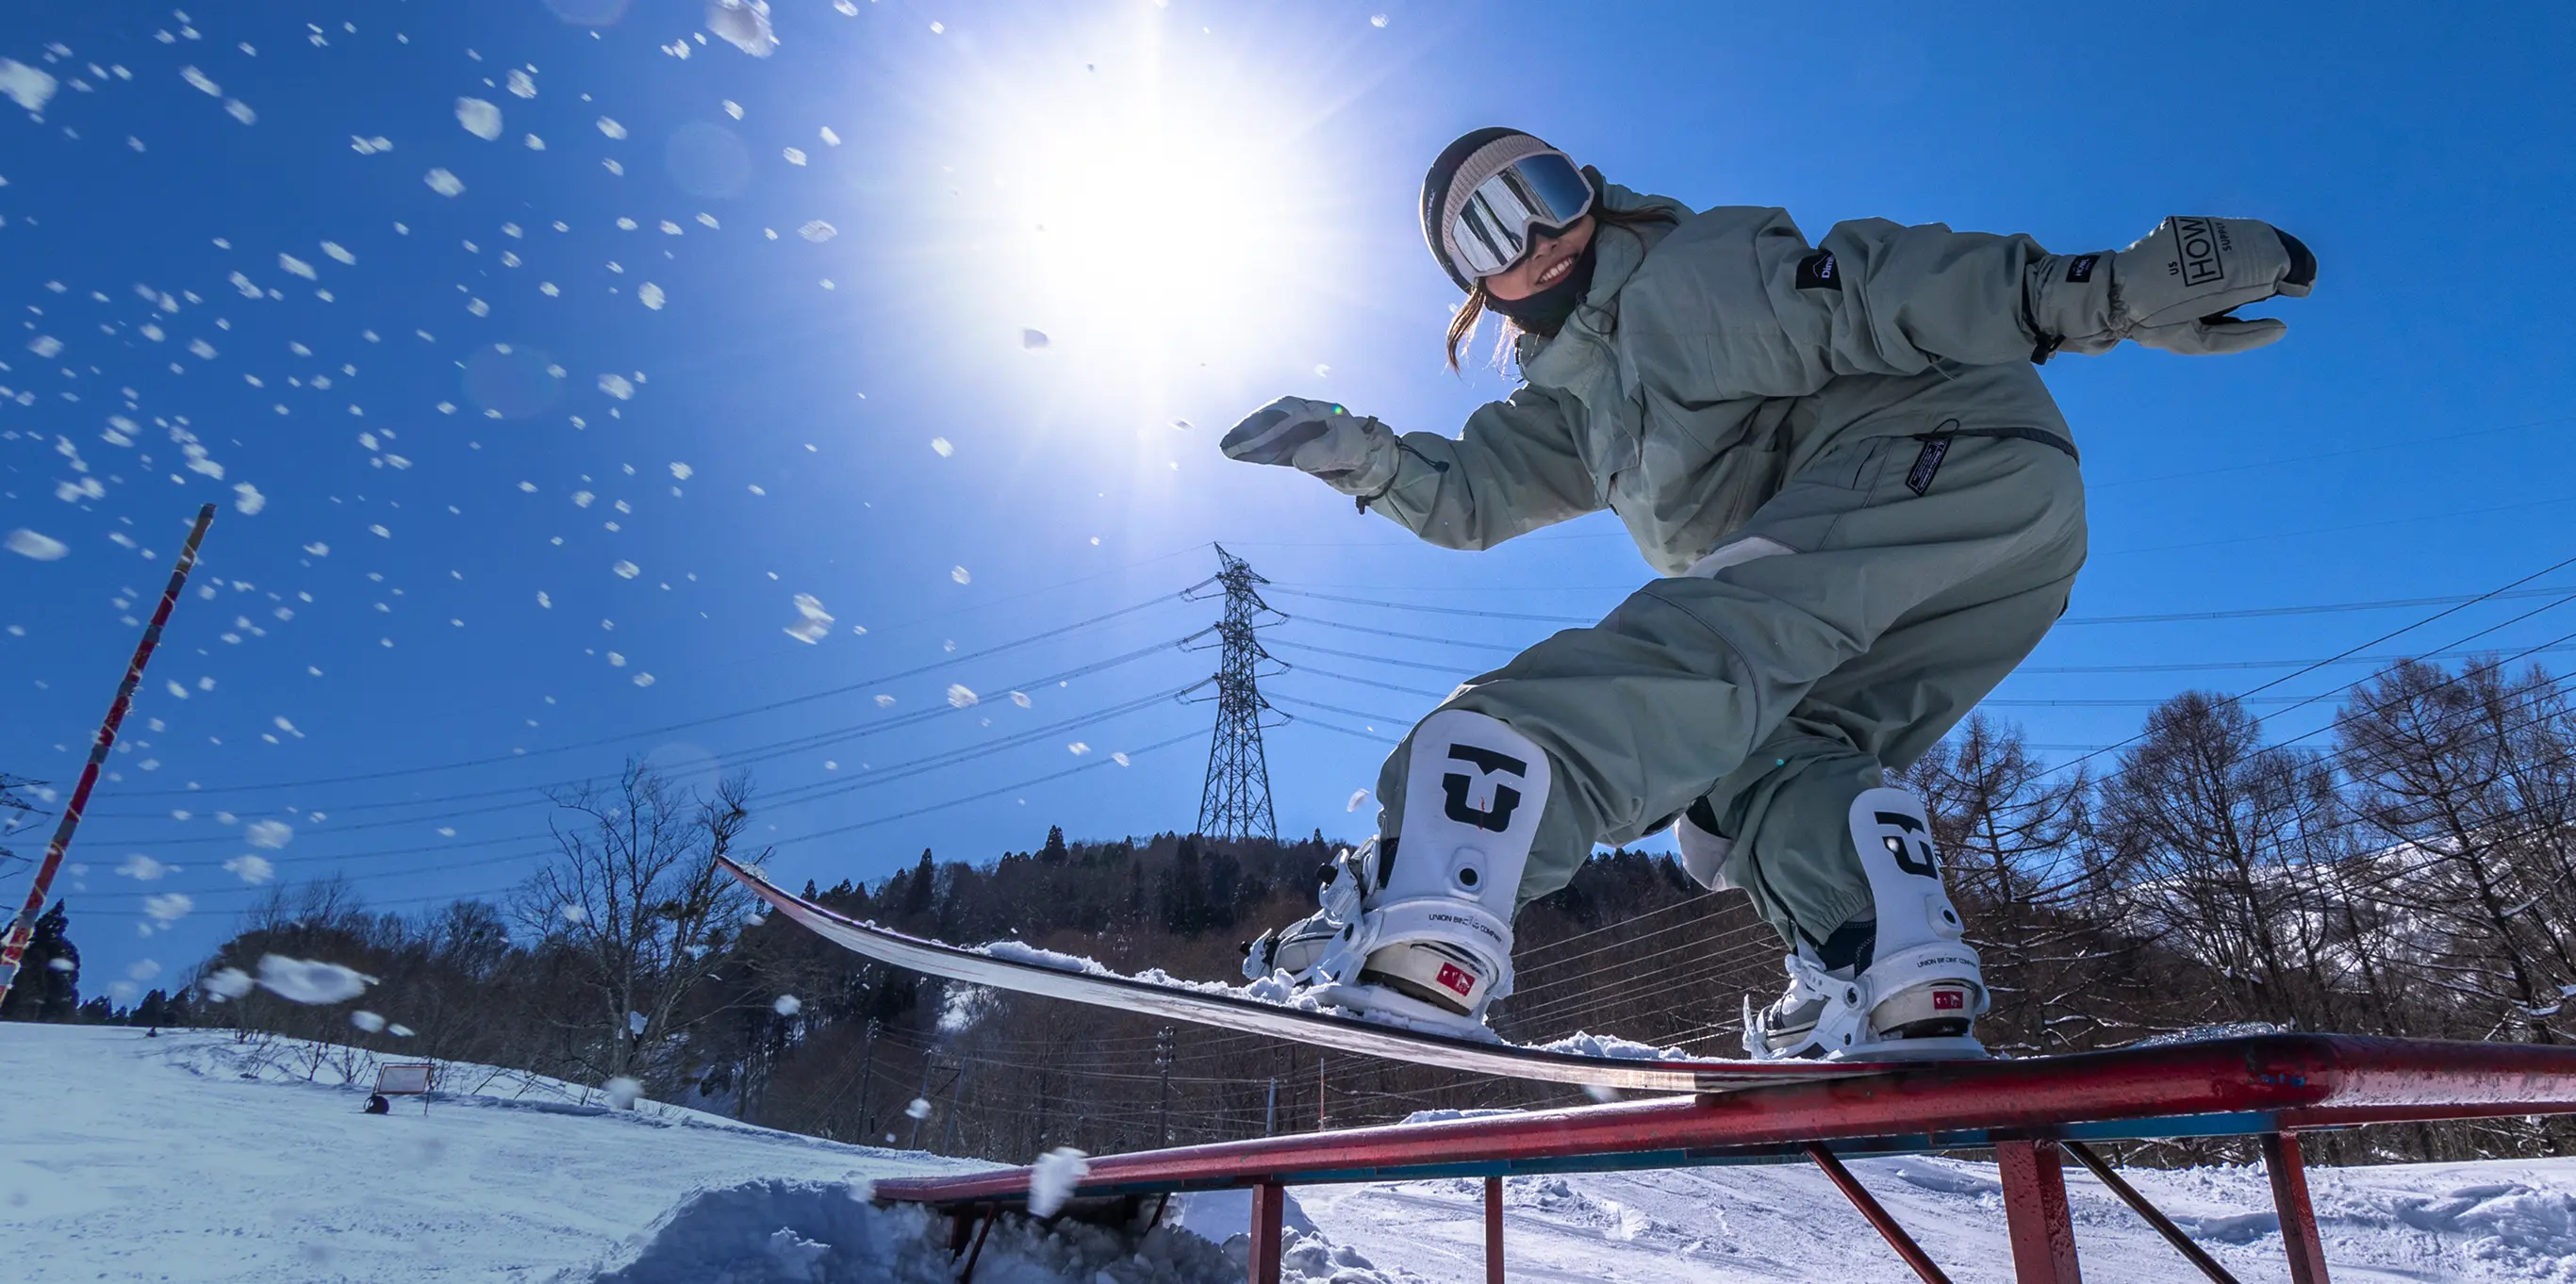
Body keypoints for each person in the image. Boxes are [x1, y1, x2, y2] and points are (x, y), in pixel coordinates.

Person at [1228, 126, 2314, 1060]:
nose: (1537, 235)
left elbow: (1871, 290)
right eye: (1489, 232)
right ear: (1476, 288)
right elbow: (1471, 492)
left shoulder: (1681, 278)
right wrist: (1362, 455)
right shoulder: (1575, 410)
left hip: (1930, 449)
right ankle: (1886, 966)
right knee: (1771, 759)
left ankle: (1431, 892)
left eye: (1546, 191)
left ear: (1588, 188)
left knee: (1706, 655)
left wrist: (2096, 292)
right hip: (2007, 548)